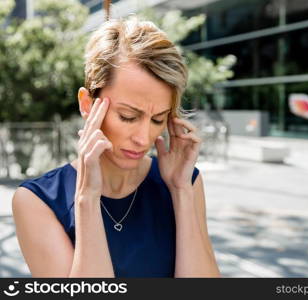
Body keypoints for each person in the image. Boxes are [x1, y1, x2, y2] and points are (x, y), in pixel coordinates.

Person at [12, 17, 220, 278]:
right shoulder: (37, 201)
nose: (144, 139)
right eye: (128, 116)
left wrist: (180, 192)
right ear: (87, 104)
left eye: (158, 119)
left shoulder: (185, 182)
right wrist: (87, 200)